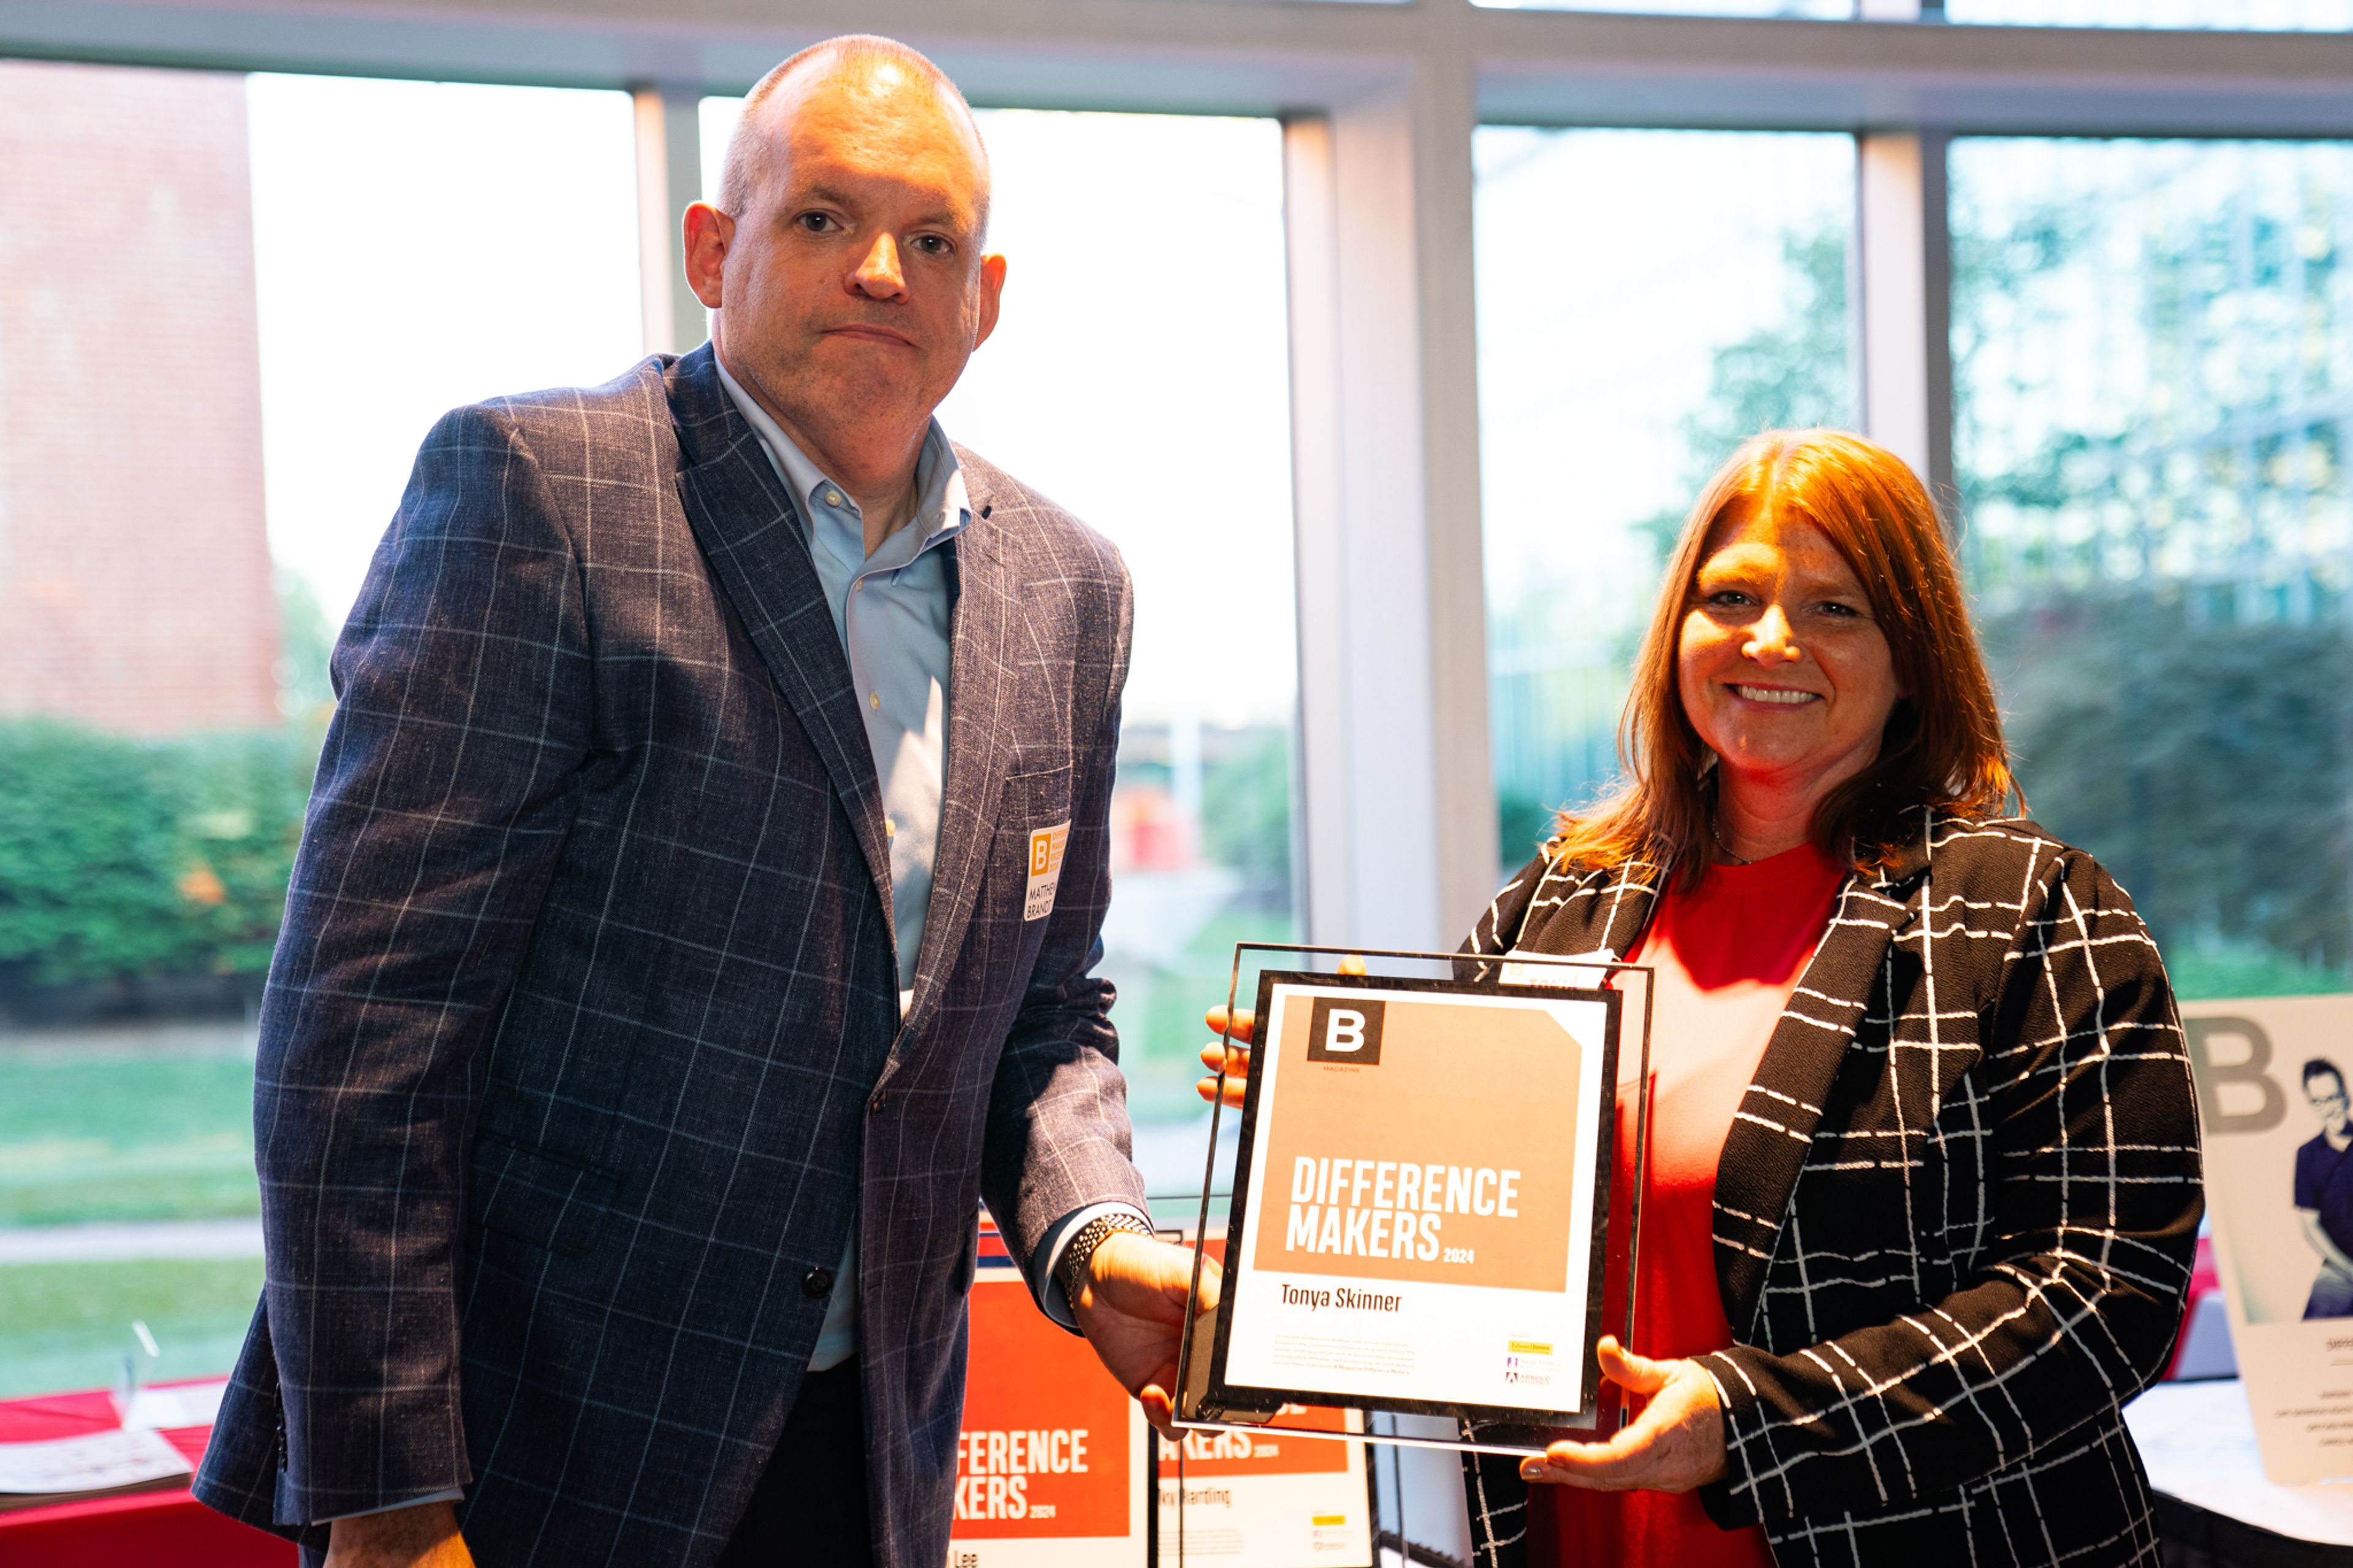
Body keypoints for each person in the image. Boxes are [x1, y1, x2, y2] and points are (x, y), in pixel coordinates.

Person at [193, 35, 1213, 1568]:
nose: (881, 269)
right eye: (821, 218)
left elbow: (1040, 1010)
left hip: (873, 1461)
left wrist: (1095, 1235)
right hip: (532, 1461)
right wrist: (393, 1502)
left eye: (930, 240)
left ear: (982, 302)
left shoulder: (1069, 590)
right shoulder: (537, 493)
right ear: (711, 249)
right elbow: (360, 1039)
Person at [1203, 430, 2201, 1566]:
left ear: (1913, 656)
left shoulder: (2028, 911)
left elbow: (2107, 1293)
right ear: (1678, 629)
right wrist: (1344, 1120)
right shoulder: (1557, 909)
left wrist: (1751, 1421)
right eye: (1732, 595)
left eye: (1838, 608)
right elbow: (1478, 1242)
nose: (1771, 638)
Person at [2294, 1057, 2353, 1319]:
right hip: (2339, 1268)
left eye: (2333, 1098)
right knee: (2316, 1323)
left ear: (2346, 1095)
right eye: (2318, 1101)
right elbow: (2310, 1225)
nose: (2329, 1109)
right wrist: (2349, 1269)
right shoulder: (2307, 1155)